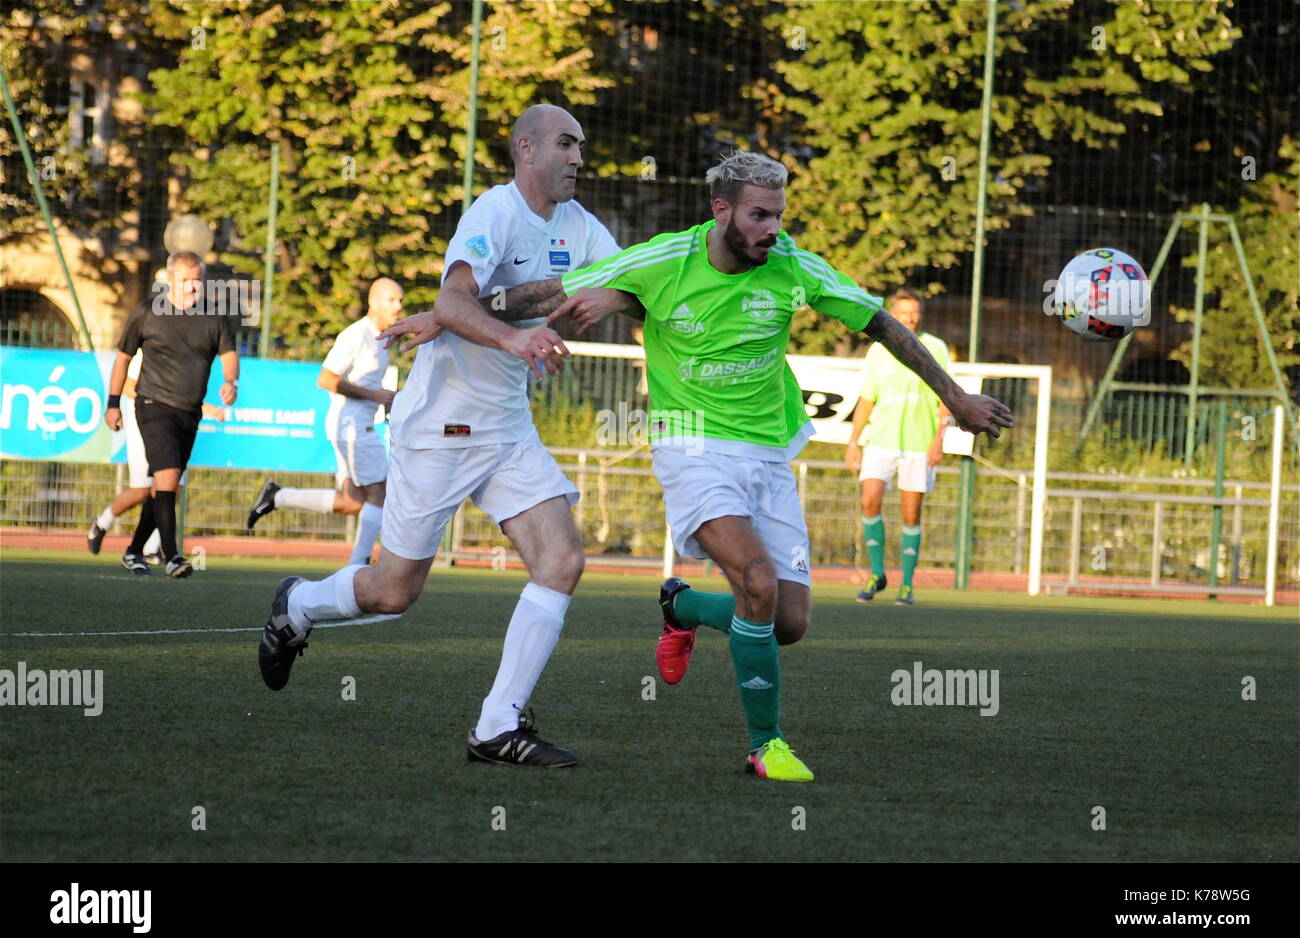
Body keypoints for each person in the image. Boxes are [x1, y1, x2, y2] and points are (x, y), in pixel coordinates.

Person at [516, 151, 1013, 781]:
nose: (772, 227)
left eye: (778, 214)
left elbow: (882, 323)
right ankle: (766, 745)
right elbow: (553, 290)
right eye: (759, 214)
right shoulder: (665, 256)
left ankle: (685, 607)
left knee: (788, 622)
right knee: (755, 578)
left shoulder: (792, 266)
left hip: (769, 448)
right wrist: (458, 308)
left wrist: (956, 398)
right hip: (690, 443)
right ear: (721, 210)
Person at [256, 104, 631, 769]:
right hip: (442, 427)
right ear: (526, 149)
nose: (578, 157)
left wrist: (614, 296)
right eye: (566, 144)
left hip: (508, 427)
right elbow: (453, 300)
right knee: (394, 592)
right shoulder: (494, 212)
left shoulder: (581, 226)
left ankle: (495, 726)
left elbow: (641, 277)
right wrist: (517, 335)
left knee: (563, 559)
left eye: (581, 146)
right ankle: (299, 603)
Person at [245, 278, 403, 566]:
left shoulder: (382, 338)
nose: (398, 306)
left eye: (400, 300)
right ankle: (358, 564)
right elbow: (326, 379)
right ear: (373, 302)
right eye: (391, 300)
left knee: (352, 501)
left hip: (354, 425)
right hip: (353, 427)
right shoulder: (357, 335)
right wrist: (377, 396)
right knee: (381, 491)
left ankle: (278, 496)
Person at [105, 251, 239, 578]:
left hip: (189, 412)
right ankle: (173, 556)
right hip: (152, 405)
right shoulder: (146, 312)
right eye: (185, 280)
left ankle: (134, 550)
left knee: (165, 486)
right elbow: (122, 358)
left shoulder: (214, 317)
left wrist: (231, 382)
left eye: (197, 280)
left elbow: (230, 356)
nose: (192, 287)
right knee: (167, 479)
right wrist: (111, 403)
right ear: (169, 280)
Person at [844, 289, 952, 606]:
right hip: (881, 441)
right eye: (903, 312)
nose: (910, 318)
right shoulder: (878, 350)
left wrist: (938, 440)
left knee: (911, 512)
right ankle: (877, 574)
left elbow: (946, 395)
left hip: (919, 443)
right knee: (869, 499)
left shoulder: (935, 347)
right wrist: (854, 441)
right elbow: (867, 398)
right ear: (893, 314)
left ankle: (906, 584)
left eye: (914, 312)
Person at [88, 351, 225, 566]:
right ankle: (102, 523)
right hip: (147, 419)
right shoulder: (150, 341)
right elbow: (127, 384)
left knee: (172, 486)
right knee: (143, 490)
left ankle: (151, 548)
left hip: (176, 419)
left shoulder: (184, 340)